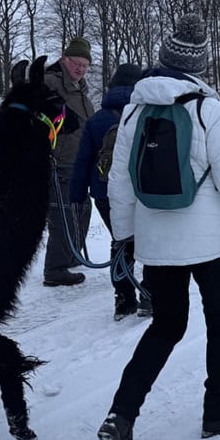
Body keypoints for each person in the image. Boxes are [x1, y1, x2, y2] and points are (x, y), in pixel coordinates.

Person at [98, 15, 220, 440]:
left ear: (163, 58)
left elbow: (118, 183)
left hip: (157, 246)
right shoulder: (207, 109)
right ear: (199, 63)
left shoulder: (132, 111)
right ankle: (217, 411)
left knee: (164, 327)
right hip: (211, 245)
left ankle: (120, 416)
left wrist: (125, 236)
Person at [69, 63, 150, 320]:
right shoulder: (147, 112)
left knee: (120, 241)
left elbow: (83, 161)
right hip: (142, 190)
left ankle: (123, 299)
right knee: (149, 242)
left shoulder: (96, 120)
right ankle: (149, 295)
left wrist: (77, 194)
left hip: (105, 193)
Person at [42, 37, 95, 286]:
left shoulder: (80, 91)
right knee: (62, 214)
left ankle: (72, 255)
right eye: (76, 63)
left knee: (83, 209)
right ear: (64, 59)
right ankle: (55, 268)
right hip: (57, 162)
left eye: (85, 65)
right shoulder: (50, 82)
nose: (80, 69)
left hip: (78, 162)